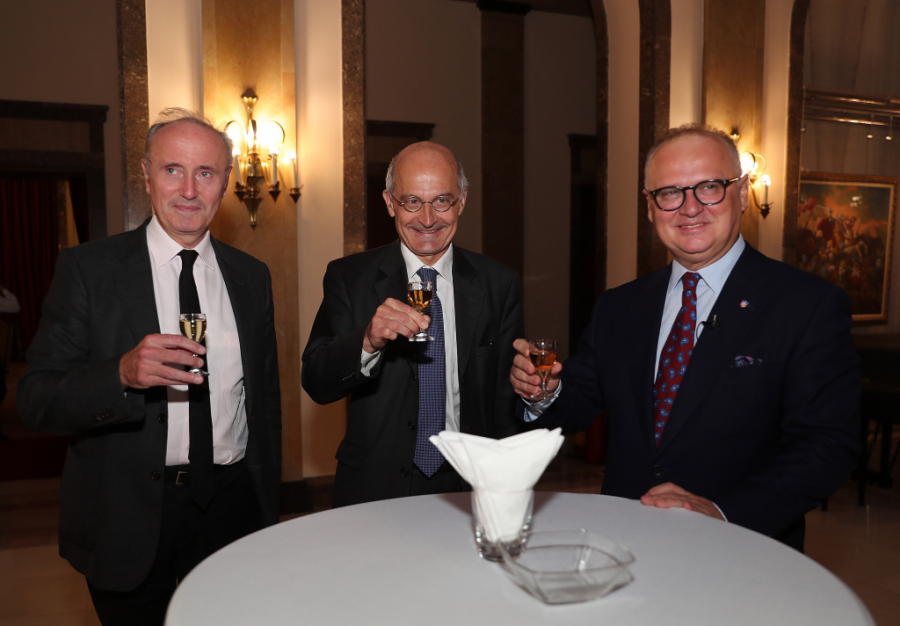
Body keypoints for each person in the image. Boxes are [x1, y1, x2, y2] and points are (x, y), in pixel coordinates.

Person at [510, 125, 860, 551]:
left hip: (744, 552)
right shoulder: (620, 306)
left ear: (742, 193)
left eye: (709, 187)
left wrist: (722, 513)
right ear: (650, 206)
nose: (690, 208)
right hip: (626, 542)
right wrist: (543, 391)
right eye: (671, 192)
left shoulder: (807, 305)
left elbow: (827, 447)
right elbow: (580, 400)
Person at [17, 109, 282, 625]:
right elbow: (35, 397)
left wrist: (265, 506)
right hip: (128, 514)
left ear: (226, 181)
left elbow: (264, 402)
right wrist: (119, 374)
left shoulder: (251, 276)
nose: (189, 190)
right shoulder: (89, 270)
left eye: (205, 173)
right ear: (145, 174)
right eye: (172, 170)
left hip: (231, 510)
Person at [302, 141, 524, 507]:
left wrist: (537, 394)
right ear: (390, 203)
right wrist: (367, 342)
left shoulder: (498, 283)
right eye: (412, 201)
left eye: (442, 200)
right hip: (376, 487)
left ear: (462, 202)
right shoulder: (350, 278)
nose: (427, 218)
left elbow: (506, 403)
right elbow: (316, 381)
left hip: (470, 485)